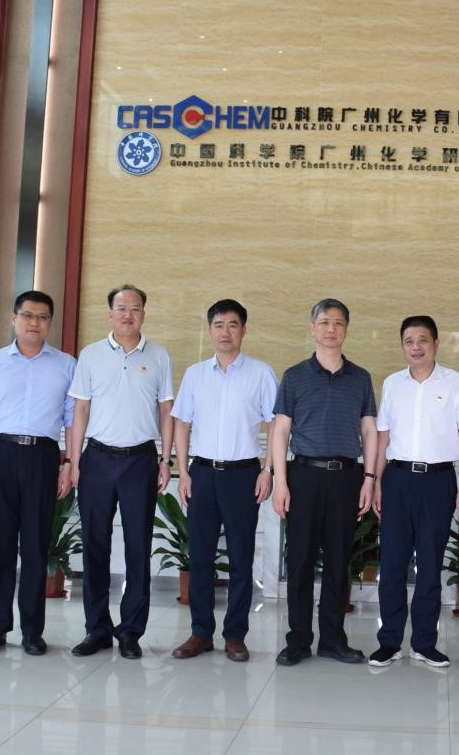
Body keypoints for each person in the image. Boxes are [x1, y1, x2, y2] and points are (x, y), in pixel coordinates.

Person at [0, 290, 76, 656]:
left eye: (42, 317)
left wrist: (67, 465)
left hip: (43, 457)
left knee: (35, 545)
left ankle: (32, 631)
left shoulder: (66, 365)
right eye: (27, 315)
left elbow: (73, 421)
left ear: (50, 323)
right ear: (14, 319)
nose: (34, 322)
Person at [269, 298, 378, 666]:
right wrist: (281, 482)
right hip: (304, 475)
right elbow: (280, 431)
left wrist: (369, 478)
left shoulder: (360, 378)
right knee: (299, 560)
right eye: (324, 322)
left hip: (347, 477)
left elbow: (369, 430)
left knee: (338, 560)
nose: (331, 329)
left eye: (338, 323)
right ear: (312, 328)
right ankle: (298, 640)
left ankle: (333, 639)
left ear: (346, 329)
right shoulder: (294, 376)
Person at [66, 284, 173, 660]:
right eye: (122, 308)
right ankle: (96, 629)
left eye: (135, 308)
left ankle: (130, 631)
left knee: (138, 546)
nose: (128, 314)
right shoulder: (91, 355)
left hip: (140, 461)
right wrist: (74, 461)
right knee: (94, 544)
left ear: (144, 314)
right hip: (96, 459)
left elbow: (166, 411)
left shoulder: (159, 356)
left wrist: (165, 460)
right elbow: (80, 411)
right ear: (110, 313)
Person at [170, 299, 278, 663]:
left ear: (244, 330)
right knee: (200, 556)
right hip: (201, 473)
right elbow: (181, 423)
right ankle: (200, 632)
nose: (225, 332)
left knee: (241, 558)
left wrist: (267, 470)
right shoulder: (195, 374)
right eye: (219, 325)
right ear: (210, 330)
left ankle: (235, 635)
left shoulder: (261, 373)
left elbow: (276, 426)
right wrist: (183, 471)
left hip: (243, 475)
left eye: (233, 324)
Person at [369, 315, 459, 668]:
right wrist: (376, 482)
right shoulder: (392, 384)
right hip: (397, 479)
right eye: (409, 341)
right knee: (392, 563)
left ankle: (424, 643)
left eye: (422, 340)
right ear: (402, 346)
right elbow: (383, 437)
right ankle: (389, 642)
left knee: (430, 565)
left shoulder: (455, 383)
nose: (416, 347)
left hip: (438, 481)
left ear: (435, 344)